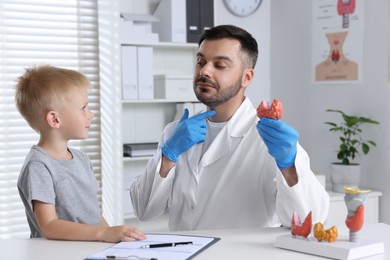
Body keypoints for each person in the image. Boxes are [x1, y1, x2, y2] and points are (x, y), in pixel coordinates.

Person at [130, 25, 330, 231]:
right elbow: (144, 210)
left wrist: (288, 165)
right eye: (200, 62)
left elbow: (310, 221)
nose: (205, 71)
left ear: (247, 77)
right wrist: (168, 157)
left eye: (219, 65)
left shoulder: (269, 141)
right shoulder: (176, 133)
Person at [15, 65, 146, 242]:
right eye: (83, 108)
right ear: (54, 119)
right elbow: (49, 225)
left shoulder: (82, 159)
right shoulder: (38, 166)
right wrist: (104, 234)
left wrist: (113, 237)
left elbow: (92, 212)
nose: (90, 114)